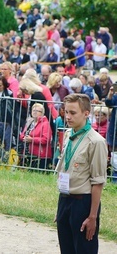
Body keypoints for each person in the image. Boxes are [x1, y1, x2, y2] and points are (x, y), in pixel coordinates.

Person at [55, 93, 108, 254]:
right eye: (66, 112)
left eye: (73, 113)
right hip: (65, 199)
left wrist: (92, 216)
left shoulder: (96, 141)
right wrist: (61, 209)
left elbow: (98, 182)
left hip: (83, 203)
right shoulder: (69, 134)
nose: (68, 117)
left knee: (84, 249)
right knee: (67, 249)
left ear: (86, 113)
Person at [19, 103, 53, 170]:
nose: (35, 112)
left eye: (37, 111)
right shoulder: (30, 122)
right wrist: (23, 138)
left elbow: (46, 139)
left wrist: (32, 140)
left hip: (40, 156)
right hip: (27, 154)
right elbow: (22, 134)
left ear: (42, 113)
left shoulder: (45, 124)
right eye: (33, 110)